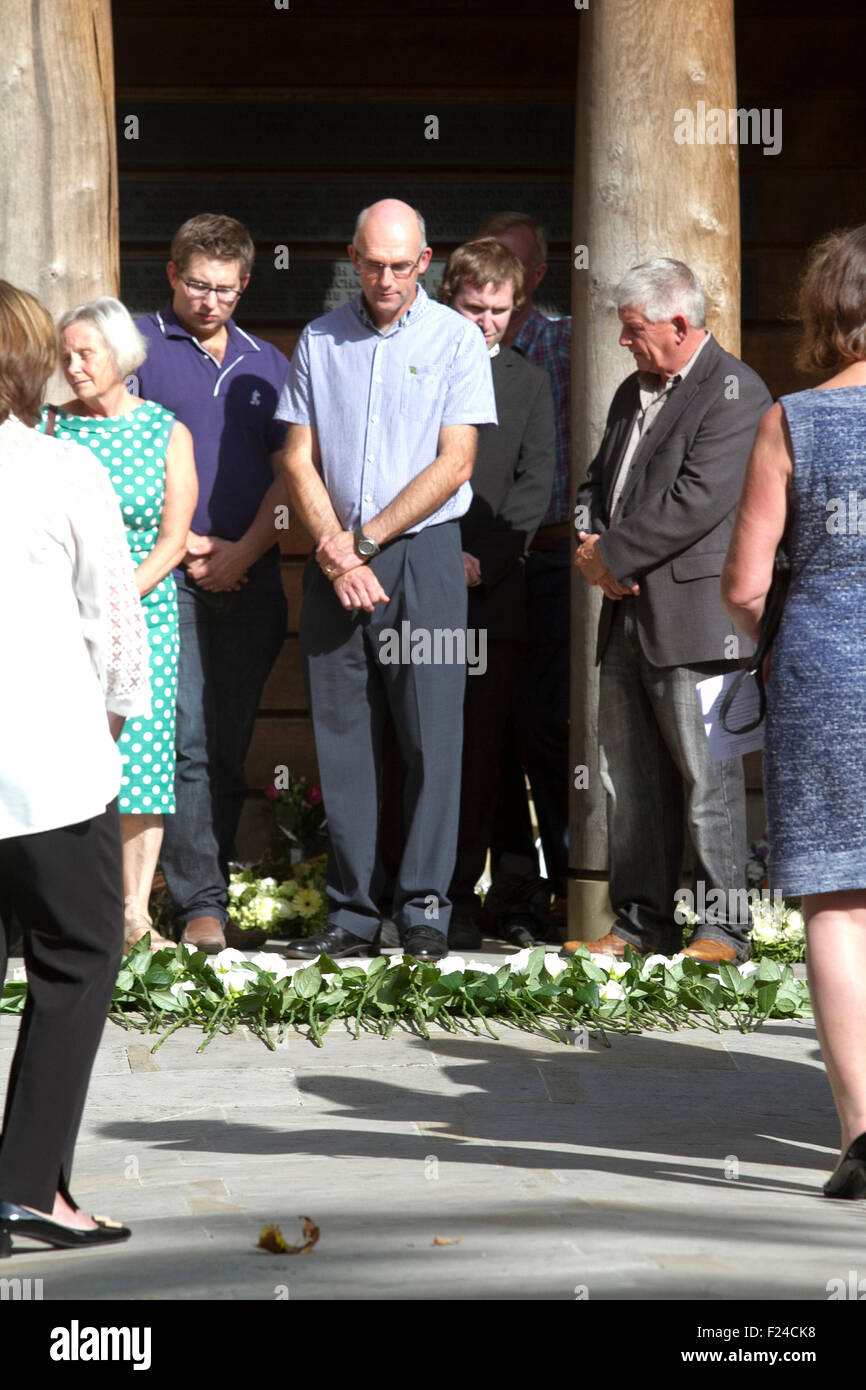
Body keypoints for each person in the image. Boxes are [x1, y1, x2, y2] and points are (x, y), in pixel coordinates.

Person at [278, 198, 497, 962]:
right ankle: (353, 913)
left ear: (425, 261)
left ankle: (428, 910)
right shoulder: (318, 339)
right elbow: (296, 457)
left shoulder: (456, 339)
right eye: (372, 263)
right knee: (344, 741)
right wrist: (336, 552)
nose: (386, 278)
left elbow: (456, 462)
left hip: (424, 555)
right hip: (334, 557)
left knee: (431, 737)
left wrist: (365, 540)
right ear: (352, 256)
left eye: (401, 265)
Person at [0, 280, 150, 1254]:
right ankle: (26, 1188)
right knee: (78, 955)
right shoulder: (63, 471)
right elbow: (115, 629)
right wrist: (109, 726)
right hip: (50, 767)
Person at [722, 225, 866, 1197]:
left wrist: (773, 632)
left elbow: (741, 583)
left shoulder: (789, 421)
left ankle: (861, 1134)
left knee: (835, 900)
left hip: (822, 667)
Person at [573, 257, 771, 964]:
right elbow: (598, 481)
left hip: (699, 625)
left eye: (634, 330)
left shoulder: (737, 393)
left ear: (679, 323)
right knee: (634, 781)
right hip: (626, 616)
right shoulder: (633, 390)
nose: (625, 342)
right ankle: (638, 925)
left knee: (706, 786)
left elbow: (695, 502)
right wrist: (586, 534)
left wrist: (608, 559)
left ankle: (724, 931)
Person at [134, 215, 291, 954]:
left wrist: (243, 552)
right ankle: (200, 904)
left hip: (251, 578)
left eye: (225, 289)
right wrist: (187, 544)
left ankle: (207, 886)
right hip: (167, 578)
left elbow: (293, 475)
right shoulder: (135, 348)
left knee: (228, 743)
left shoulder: (269, 364)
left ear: (245, 285)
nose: (209, 301)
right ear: (172, 274)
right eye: (197, 285)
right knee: (184, 737)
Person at [42, 297, 197, 952]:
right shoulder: (49, 429)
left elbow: (175, 538)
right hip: (62, 623)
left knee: (143, 764)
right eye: (66, 356)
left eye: (87, 354)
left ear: (121, 358)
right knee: (68, 760)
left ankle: (133, 916)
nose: (74, 367)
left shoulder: (166, 431)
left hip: (147, 617)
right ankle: (74, 909)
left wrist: (117, 599)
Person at [438, 238, 556, 948]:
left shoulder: (527, 382)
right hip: (411, 591)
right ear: (450, 300)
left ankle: (459, 898)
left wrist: (481, 561)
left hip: (493, 600)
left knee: (483, 756)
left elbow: (533, 488)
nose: (486, 322)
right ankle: (406, 887)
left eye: (499, 311)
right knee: (414, 750)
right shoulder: (418, 368)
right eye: (473, 306)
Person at [476, 211, 572, 938]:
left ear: (533, 277)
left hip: (551, 560)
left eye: (508, 272)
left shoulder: (564, 344)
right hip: (479, 567)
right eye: (478, 280)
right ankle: (511, 885)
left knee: (549, 730)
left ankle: (573, 885)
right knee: (493, 734)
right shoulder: (453, 352)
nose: (491, 296)